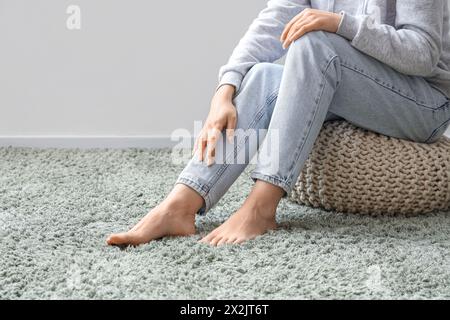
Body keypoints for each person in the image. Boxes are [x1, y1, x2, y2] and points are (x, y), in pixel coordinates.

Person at [107, 0, 450, 247]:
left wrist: (339, 23)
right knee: (261, 76)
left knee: (316, 43)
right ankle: (180, 205)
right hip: (359, 89)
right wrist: (224, 90)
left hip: (425, 102)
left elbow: (423, 53)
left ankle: (261, 208)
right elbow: (272, 25)